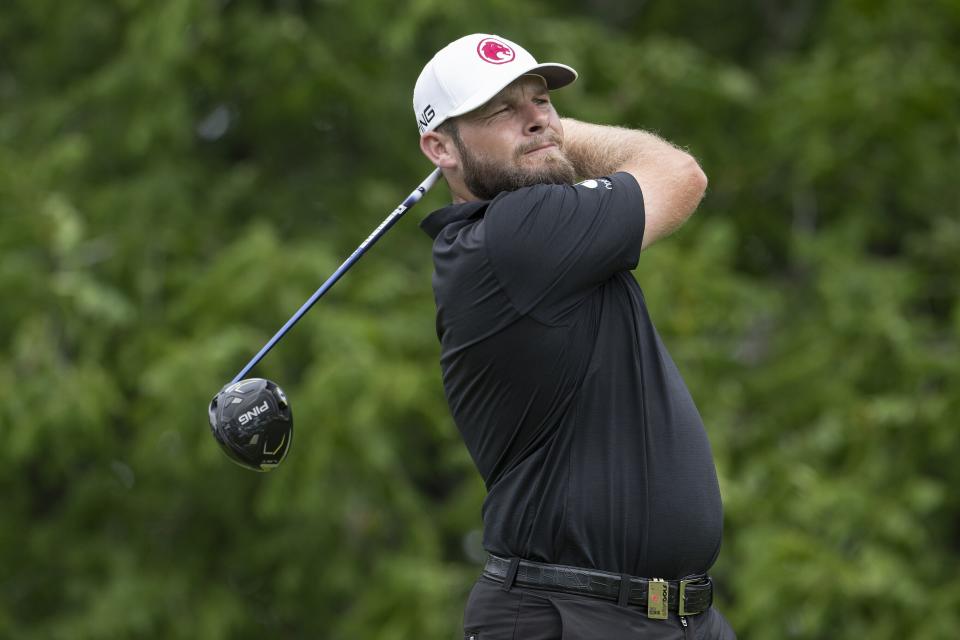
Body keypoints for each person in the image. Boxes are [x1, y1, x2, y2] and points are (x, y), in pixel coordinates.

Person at [414, 33, 736, 640]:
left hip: (677, 618)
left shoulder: (536, 231)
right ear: (440, 148)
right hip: (568, 616)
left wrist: (532, 132)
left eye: (543, 101)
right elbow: (679, 173)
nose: (537, 119)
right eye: (501, 109)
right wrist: (554, 137)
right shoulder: (513, 234)